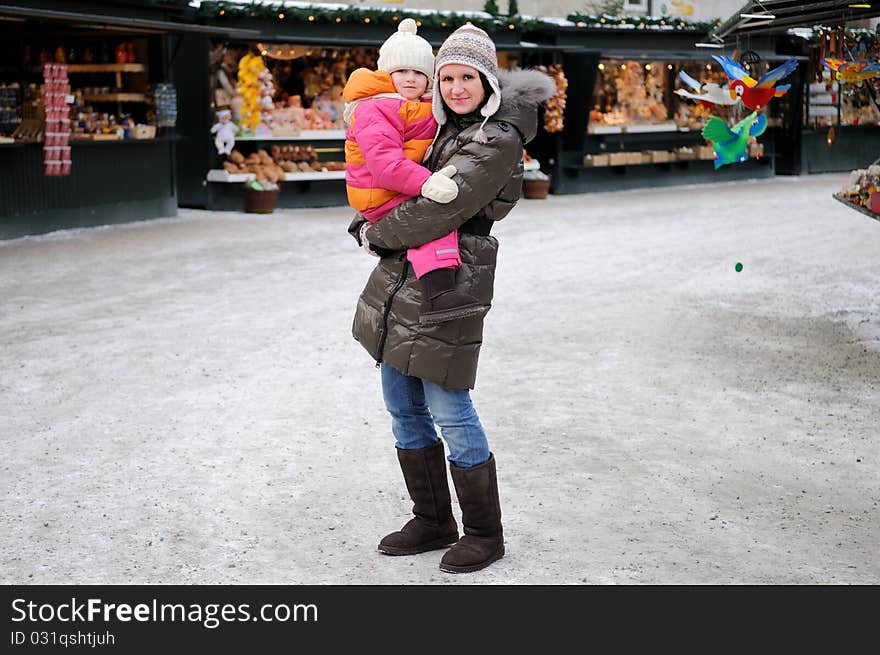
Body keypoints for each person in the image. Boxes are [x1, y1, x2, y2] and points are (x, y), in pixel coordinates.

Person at [348, 25, 556, 573]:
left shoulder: (497, 136)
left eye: (468, 77)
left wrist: (375, 234)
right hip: (404, 282)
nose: (457, 87)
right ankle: (433, 519)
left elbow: (444, 206)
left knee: (449, 407)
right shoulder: (441, 126)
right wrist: (365, 218)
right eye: (448, 77)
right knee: (402, 404)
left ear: (487, 82)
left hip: (450, 281)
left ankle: (484, 533)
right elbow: (393, 180)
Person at [343, 18, 486, 324]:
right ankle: (437, 294)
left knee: (429, 220)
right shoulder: (375, 109)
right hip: (377, 191)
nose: (410, 79)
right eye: (401, 71)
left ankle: (437, 292)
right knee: (431, 221)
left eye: (419, 73)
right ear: (386, 74)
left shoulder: (422, 104)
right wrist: (426, 183)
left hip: (394, 185)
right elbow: (384, 165)